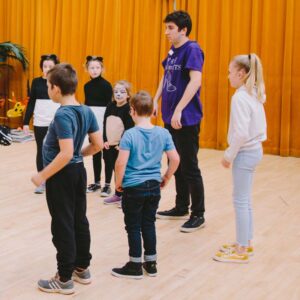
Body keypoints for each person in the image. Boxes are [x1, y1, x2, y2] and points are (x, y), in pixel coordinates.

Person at [31, 64, 103, 294]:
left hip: (61, 177)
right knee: (78, 219)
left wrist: (42, 174)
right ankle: (82, 267)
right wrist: (78, 156)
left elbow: (64, 153)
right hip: (78, 172)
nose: (47, 89)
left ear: (57, 89)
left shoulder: (63, 114)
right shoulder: (85, 110)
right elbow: (97, 145)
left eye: (49, 86)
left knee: (62, 224)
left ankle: (64, 278)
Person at [111, 91, 179, 279]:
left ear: (132, 111)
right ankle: (151, 263)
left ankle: (134, 265)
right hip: (153, 186)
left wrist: (118, 184)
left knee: (133, 226)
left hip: (134, 187)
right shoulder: (163, 133)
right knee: (148, 223)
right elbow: (175, 159)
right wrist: (166, 177)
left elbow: (120, 163)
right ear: (152, 111)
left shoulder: (130, 135)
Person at [153, 10, 205, 232]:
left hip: (186, 119)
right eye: (166, 28)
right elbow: (166, 76)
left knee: (190, 166)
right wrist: (156, 99)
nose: (166, 32)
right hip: (169, 116)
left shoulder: (192, 49)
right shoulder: (173, 51)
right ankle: (181, 206)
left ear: (183, 30)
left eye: (170, 28)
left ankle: (198, 213)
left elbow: (196, 81)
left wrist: (179, 109)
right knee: (176, 162)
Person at [213, 53, 267, 264]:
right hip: (254, 151)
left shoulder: (240, 97)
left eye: (230, 72)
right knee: (245, 199)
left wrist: (229, 155)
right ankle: (246, 241)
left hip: (246, 153)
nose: (228, 77)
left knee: (240, 200)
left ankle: (242, 247)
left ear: (241, 73)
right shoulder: (254, 93)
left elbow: (241, 133)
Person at [23, 54, 60, 194]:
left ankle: (55, 180)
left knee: (56, 150)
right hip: (40, 122)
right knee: (41, 150)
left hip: (56, 122)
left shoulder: (58, 83)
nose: (48, 69)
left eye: (51, 66)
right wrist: (26, 122)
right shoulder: (36, 82)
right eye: (45, 66)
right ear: (42, 68)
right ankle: (42, 180)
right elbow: (31, 102)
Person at [102, 80, 134, 205]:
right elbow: (105, 123)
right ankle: (117, 194)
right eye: (116, 92)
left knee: (122, 170)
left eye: (122, 92)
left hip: (120, 146)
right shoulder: (110, 106)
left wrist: (122, 144)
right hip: (108, 145)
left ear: (128, 95)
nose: (118, 94)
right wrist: (104, 140)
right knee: (112, 167)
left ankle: (126, 196)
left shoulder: (128, 109)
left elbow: (129, 128)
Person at [84, 56, 113, 194]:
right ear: (87, 69)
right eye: (91, 68)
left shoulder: (106, 85)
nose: (94, 70)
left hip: (105, 122)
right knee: (95, 151)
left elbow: (109, 106)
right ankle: (96, 182)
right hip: (92, 122)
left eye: (97, 67)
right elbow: (87, 105)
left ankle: (107, 184)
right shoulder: (86, 86)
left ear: (102, 69)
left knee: (107, 155)